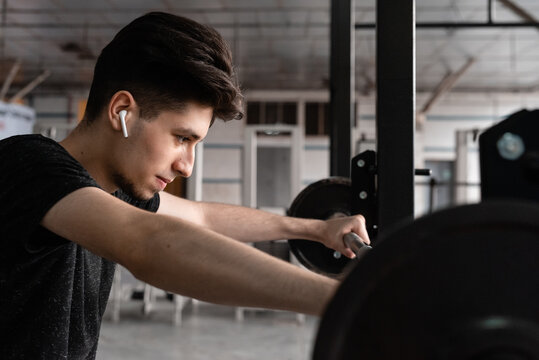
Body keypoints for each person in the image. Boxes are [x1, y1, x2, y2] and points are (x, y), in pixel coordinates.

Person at [0, 12, 369, 359]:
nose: (186, 166)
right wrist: (353, 298)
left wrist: (316, 229)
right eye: (181, 138)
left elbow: (203, 217)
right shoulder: (27, 164)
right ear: (121, 111)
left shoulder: (112, 192)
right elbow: (145, 243)